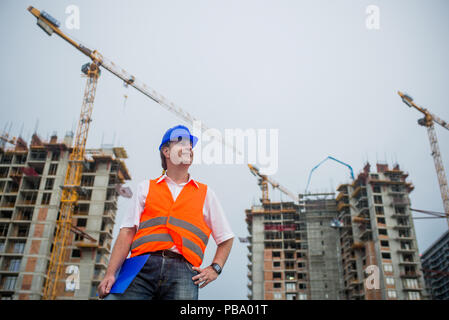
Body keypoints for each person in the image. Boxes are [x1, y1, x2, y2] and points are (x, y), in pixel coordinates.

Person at [97, 124, 234, 300]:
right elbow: (126, 232)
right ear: (166, 152)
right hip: (140, 266)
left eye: (190, 145)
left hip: (184, 272)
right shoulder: (145, 188)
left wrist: (215, 268)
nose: (189, 148)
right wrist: (110, 273)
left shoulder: (206, 194)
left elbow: (226, 238)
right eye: (182, 143)